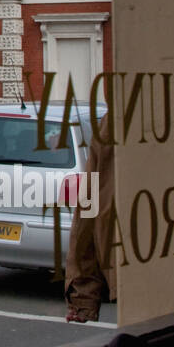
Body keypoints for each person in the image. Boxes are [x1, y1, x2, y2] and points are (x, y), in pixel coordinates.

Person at [64, 111, 117, 322]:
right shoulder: (116, 119)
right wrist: (83, 296)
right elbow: (89, 209)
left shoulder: (116, 118)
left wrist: (83, 295)